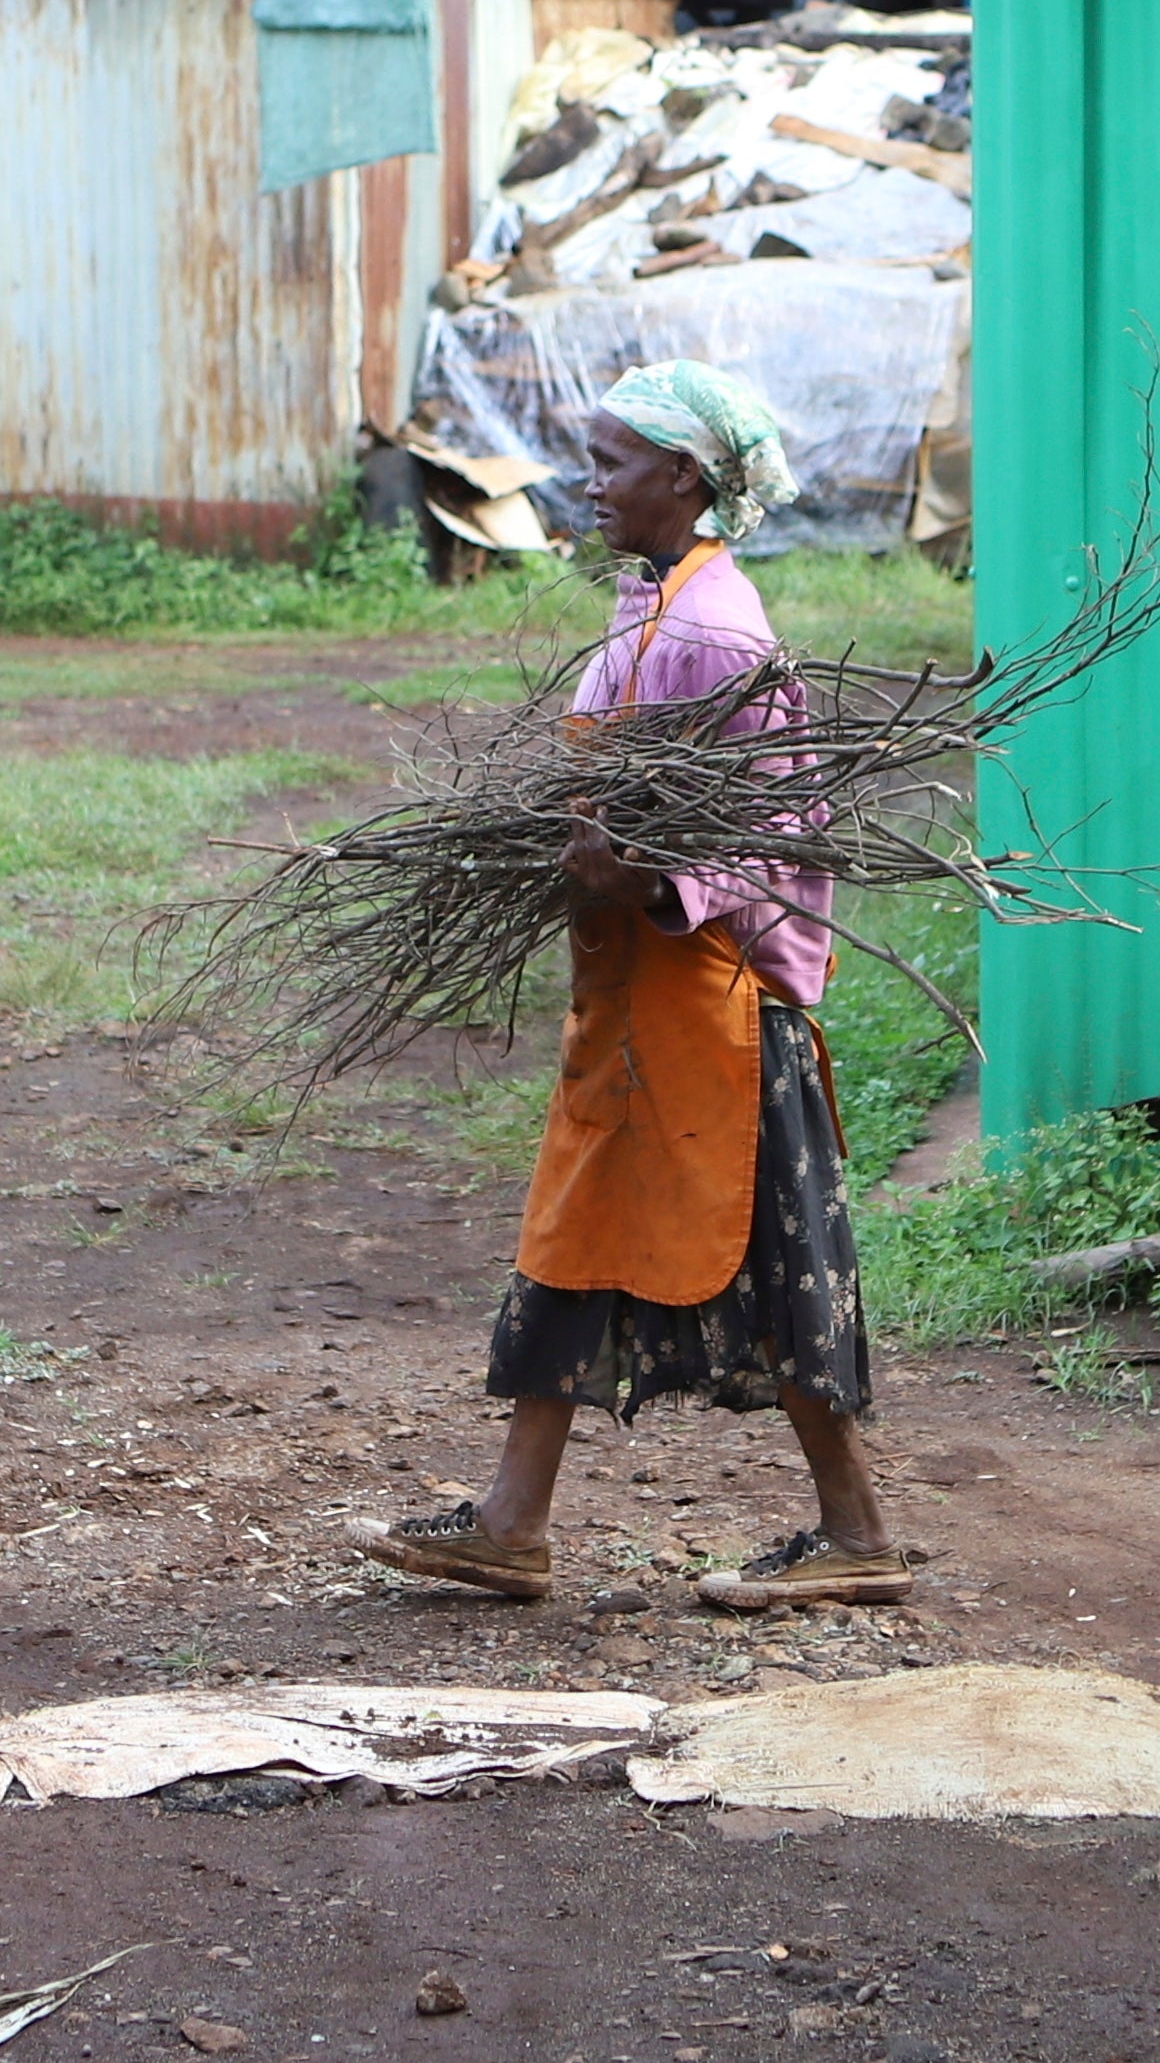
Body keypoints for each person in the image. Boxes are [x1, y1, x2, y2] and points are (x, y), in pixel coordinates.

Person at [351, 359, 910, 1616]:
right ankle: (511, 1521)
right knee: (576, 1231)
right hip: (635, 1000)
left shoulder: (715, 630)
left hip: (708, 1003)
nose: (587, 483)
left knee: (776, 1254)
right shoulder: (654, 603)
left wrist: (648, 885)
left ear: (686, 477)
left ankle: (857, 1528)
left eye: (609, 462)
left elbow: (773, 834)